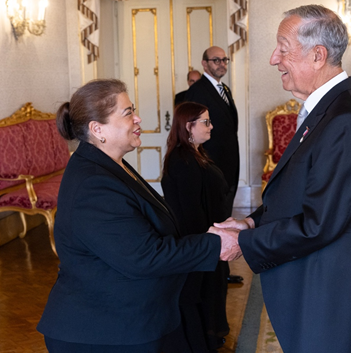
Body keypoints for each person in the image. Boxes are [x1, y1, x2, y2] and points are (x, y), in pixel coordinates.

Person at [211, 5, 351, 352]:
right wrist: (249, 223)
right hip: (319, 275)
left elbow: (319, 223)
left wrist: (243, 244)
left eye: (283, 48)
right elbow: (299, 187)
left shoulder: (345, 119)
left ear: (318, 55)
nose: (275, 58)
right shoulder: (330, 107)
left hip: (331, 287)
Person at [36, 79, 238, 352]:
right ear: (98, 129)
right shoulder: (93, 184)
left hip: (139, 318)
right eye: (128, 112)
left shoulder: (110, 164)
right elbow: (144, 256)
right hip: (104, 331)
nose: (138, 118)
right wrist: (216, 244)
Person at [161, 102, 232, 352]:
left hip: (207, 241)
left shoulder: (195, 153)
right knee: (198, 296)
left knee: (210, 294)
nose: (211, 126)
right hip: (200, 244)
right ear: (188, 126)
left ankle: (208, 338)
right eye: (205, 122)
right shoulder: (183, 160)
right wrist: (209, 244)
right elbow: (190, 213)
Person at [184, 46, 243, 284]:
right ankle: (211, 272)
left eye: (224, 60)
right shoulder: (197, 91)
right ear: (204, 63)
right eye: (216, 60)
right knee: (213, 221)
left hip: (228, 163)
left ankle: (222, 270)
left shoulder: (223, 89)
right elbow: (192, 131)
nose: (222, 63)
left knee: (224, 216)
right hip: (211, 164)